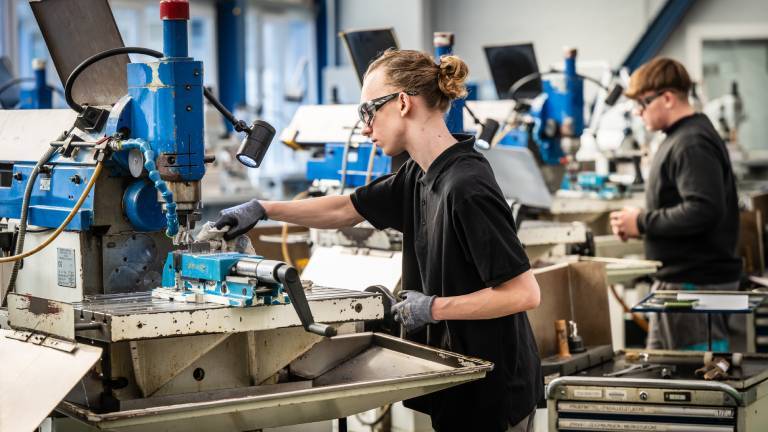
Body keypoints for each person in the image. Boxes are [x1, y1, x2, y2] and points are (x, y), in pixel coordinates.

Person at [214, 49, 542, 431]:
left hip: (494, 390)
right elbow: (346, 209)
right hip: (459, 377)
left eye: (369, 111)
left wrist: (433, 308)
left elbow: (523, 294)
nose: (366, 127)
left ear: (402, 103)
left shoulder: (465, 186)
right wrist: (263, 209)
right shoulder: (420, 174)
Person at [610, 57, 741, 351]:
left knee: (696, 384)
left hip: (694, 285)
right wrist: (639, 220)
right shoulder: (680, 137)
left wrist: (642, 222)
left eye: (643, 103)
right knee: (663, 373)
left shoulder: (691, 142)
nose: (638, 111)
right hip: (681, 283)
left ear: (667, 98)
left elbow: (703, 210)